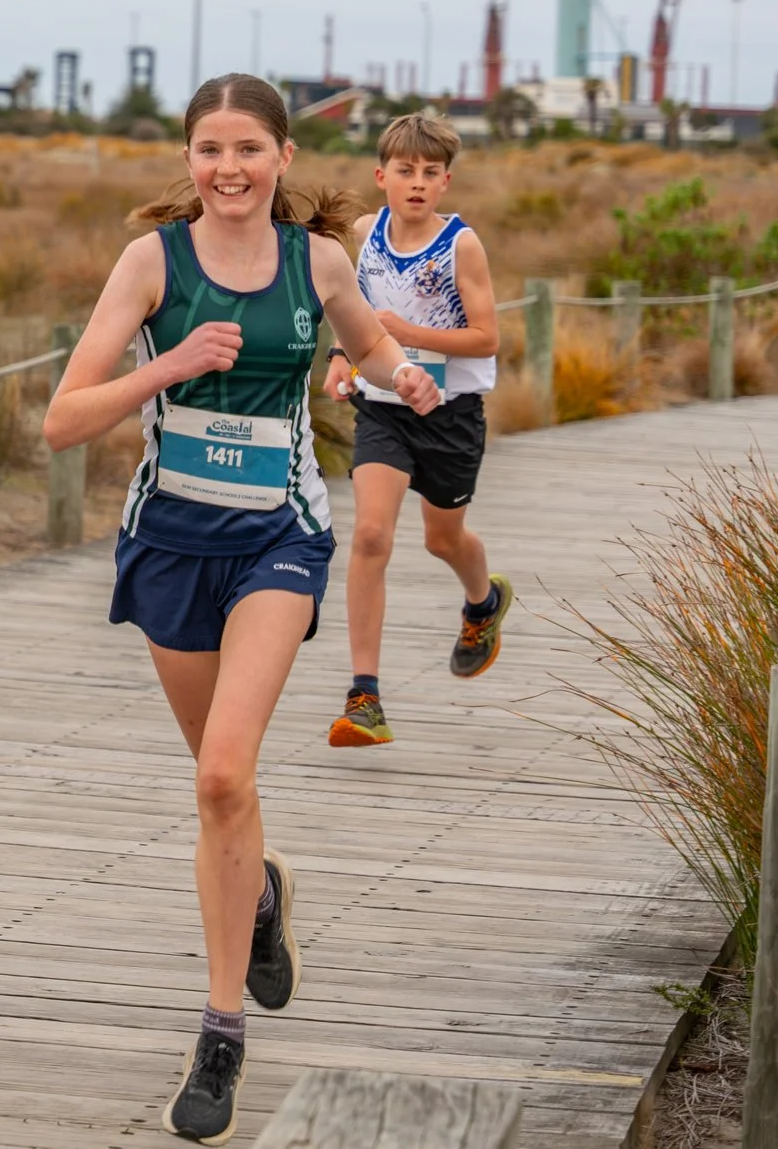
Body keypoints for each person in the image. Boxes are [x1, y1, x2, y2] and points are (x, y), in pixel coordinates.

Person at [44, 74, 442, 1145]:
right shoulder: (149, 265)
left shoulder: (315, 263)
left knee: (224, 773)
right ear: (188, 160)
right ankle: (260, 892)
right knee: (222, 796)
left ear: (279, 160)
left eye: (248, 151)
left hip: (276, 539)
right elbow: (61, 420)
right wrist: (165, 365)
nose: (227, 170)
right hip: (170, 545)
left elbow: (366, 343)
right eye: (209, 151)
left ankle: (219, 1032)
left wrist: (401, 380)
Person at [319, 114, 512, 748]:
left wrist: (407, 333)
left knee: (442, 540)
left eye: (431, 173)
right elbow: (349, 317)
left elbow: (487, 337)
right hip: (383, 408)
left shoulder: (462, 245)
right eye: (406, 171)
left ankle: (483, 603)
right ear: (382, 177)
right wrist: (343, 361)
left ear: (446, 183)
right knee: (371, 533)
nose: (418, 183)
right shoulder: (362, 235)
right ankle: (364, 694)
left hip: (451, 414)